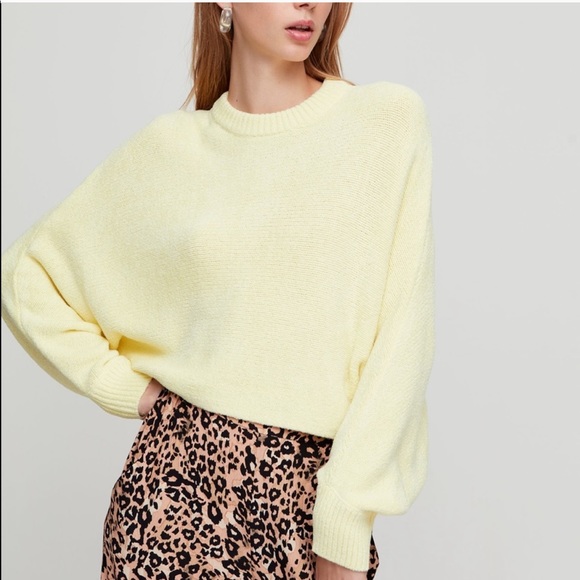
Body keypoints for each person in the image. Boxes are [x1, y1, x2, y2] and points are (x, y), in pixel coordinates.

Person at [1, 2, 435, 579]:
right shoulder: (171, 148)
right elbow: (25, 275)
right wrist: (123, 387)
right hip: (168, 501)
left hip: (305, 504)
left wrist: (344, 522)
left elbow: (403, 341)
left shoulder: (383, 122)